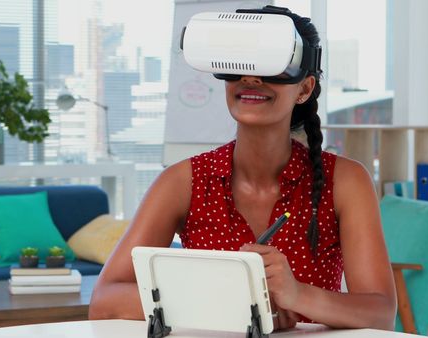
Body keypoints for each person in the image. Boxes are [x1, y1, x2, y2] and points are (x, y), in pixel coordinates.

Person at [88, 5, 397, 331]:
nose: (251, 78)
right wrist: (233, 305)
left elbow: (380, 313)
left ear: (304, 88)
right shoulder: (182, 182)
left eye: (271, 65)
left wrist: (297, 296)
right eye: (240, 65)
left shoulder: (346, 181)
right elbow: (105, 300)